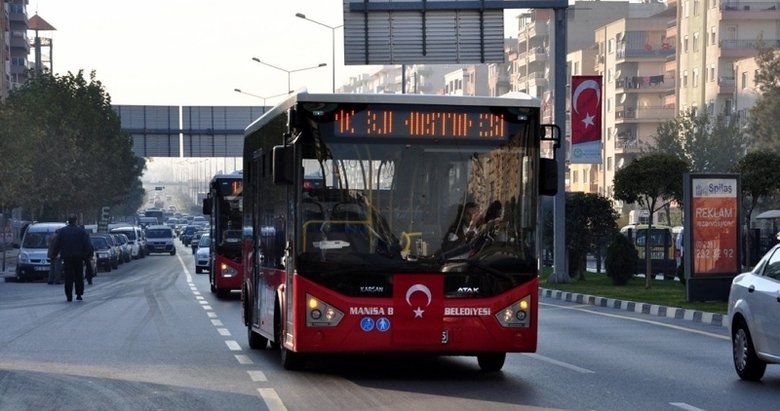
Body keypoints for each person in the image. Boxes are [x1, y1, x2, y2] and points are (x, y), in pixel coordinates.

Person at [50, 216, 92, 302]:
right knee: (79, 276)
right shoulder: (81, 232)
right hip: (78, 257)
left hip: (67, 257)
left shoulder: (62, 231)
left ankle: (69, 295)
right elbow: (87, 245)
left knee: (68, 277)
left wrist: (54, 254)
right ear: (76, 221)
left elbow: (57, 244)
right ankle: (79, 294)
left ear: (68, 221)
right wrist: (87, 255)